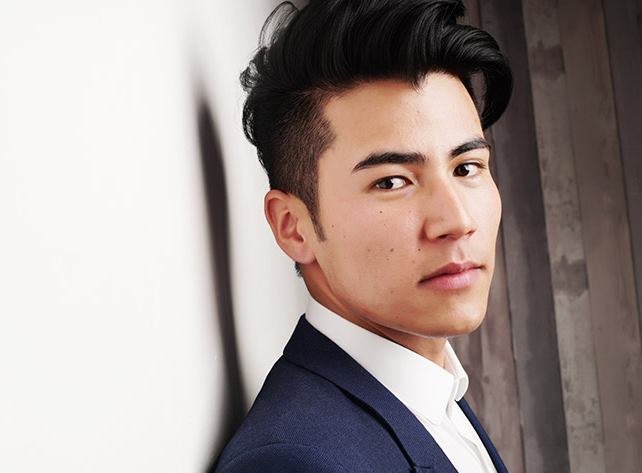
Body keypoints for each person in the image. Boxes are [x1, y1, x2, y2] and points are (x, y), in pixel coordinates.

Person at [216, 0, 513, 471]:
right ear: (293, 226)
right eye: (391, 181)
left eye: (466, 167)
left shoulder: (433, 392)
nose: (457, 221)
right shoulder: (295, 461)